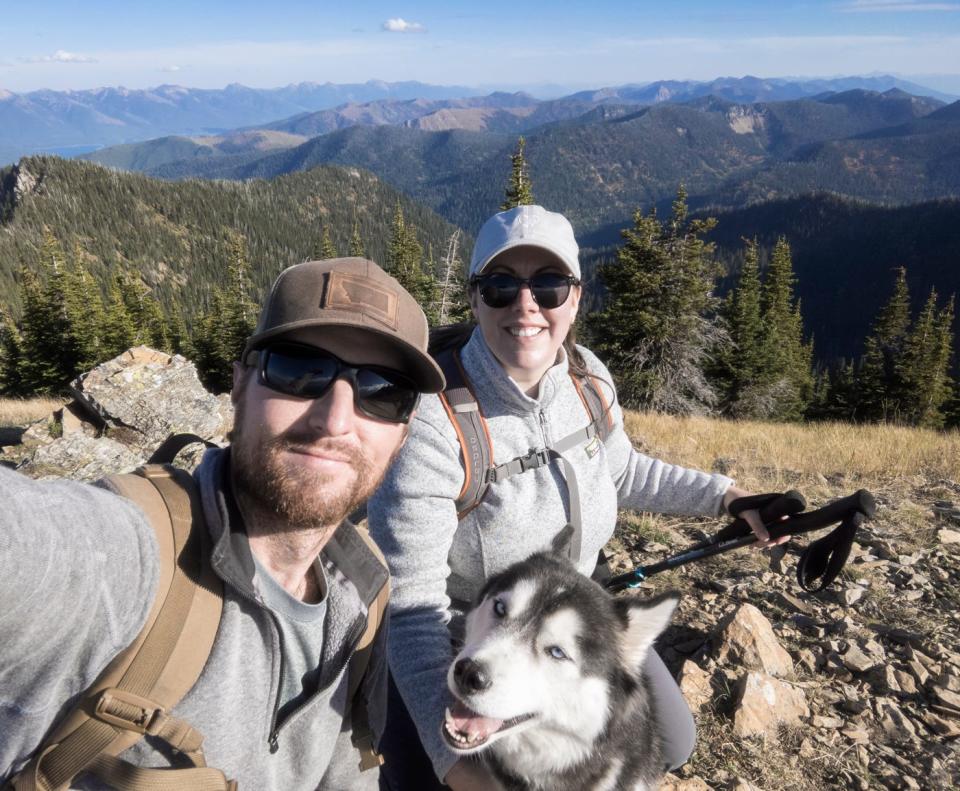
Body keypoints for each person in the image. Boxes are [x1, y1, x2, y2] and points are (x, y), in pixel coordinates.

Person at [368, 206, 783, 791]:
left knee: (674, 741)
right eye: (501, 286)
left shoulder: (587, 380)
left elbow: (624, 472)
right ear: (475, 298)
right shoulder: (436, 422)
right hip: (469, 634)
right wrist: (454, 762)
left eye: (549, 285)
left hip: (571, 626)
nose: (525, 304)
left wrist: (731, 499)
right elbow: (412, 605)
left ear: (576, 298)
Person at [0, 258, 445, 791]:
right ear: (239, 384)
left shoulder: (363, 594)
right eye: (301, 370)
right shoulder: (128, 557)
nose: (335, 420)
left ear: (404, 430)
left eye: (383, 391)